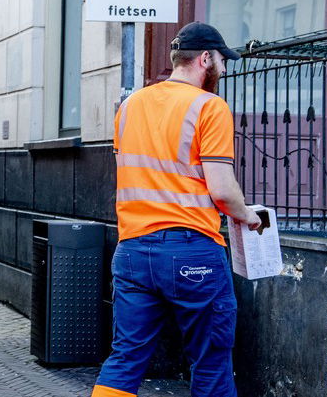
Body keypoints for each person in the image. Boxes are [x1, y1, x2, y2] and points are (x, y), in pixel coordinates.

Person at [91, 22, 264, 397]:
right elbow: (221, 189)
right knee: (211, 361)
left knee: (125, 358)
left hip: (133, 250)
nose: (223, 67)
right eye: (220, 60)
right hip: (191, 250)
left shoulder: (130, 106)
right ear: (204, 58)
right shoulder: (209, 106)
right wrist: (247, 214)